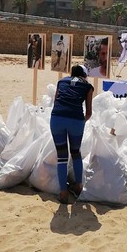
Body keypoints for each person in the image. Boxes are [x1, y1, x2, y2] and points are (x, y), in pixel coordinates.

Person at [50, 64, 94, 204]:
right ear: (84, 75)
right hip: (76, 120)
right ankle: (78, 186)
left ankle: (63, 193)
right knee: (75, 153)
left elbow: (56, 101)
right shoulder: (87, 86)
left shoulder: (61, 82)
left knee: (62, 157)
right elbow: (88, 113)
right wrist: (80, 122)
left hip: (56, 118)